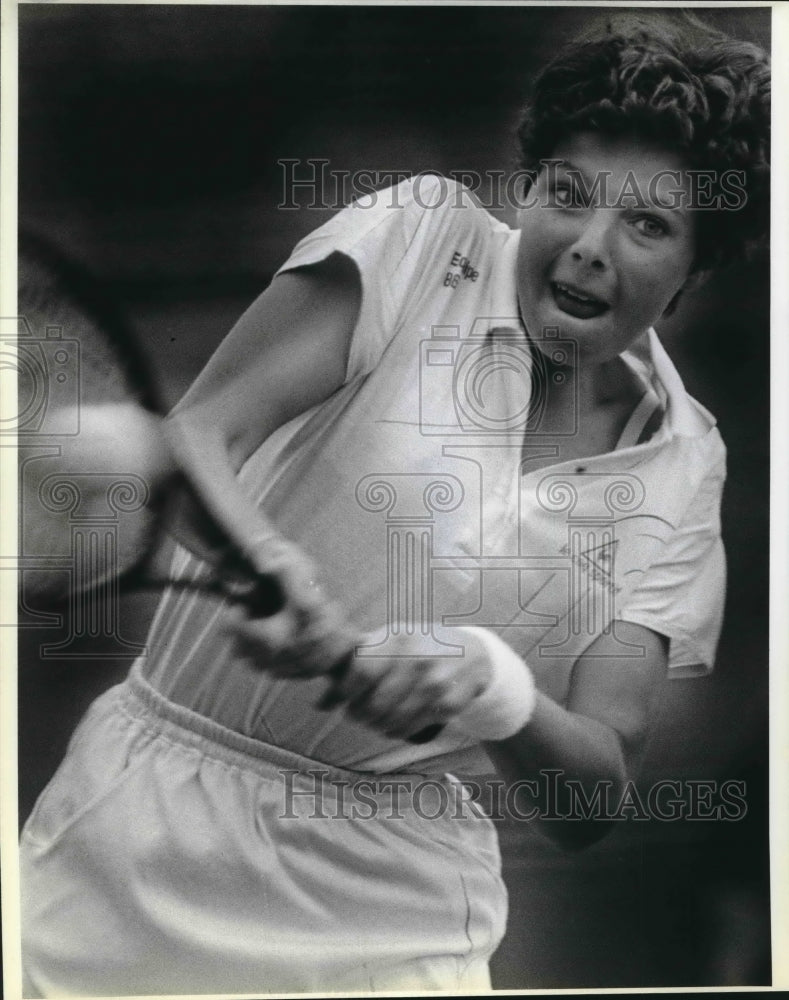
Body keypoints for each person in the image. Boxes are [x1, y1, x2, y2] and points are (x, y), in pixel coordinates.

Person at [19, 14, 770, 996]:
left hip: (396, 909)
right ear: (530, 185)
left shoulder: (685, 464)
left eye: (648, 225)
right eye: (567, 194)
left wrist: (492, 683)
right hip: (137, 842)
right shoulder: (421, 236)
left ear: (694, 268)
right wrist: (269, 562)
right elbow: (202, 433)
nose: (590, 247)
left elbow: (594, 789)